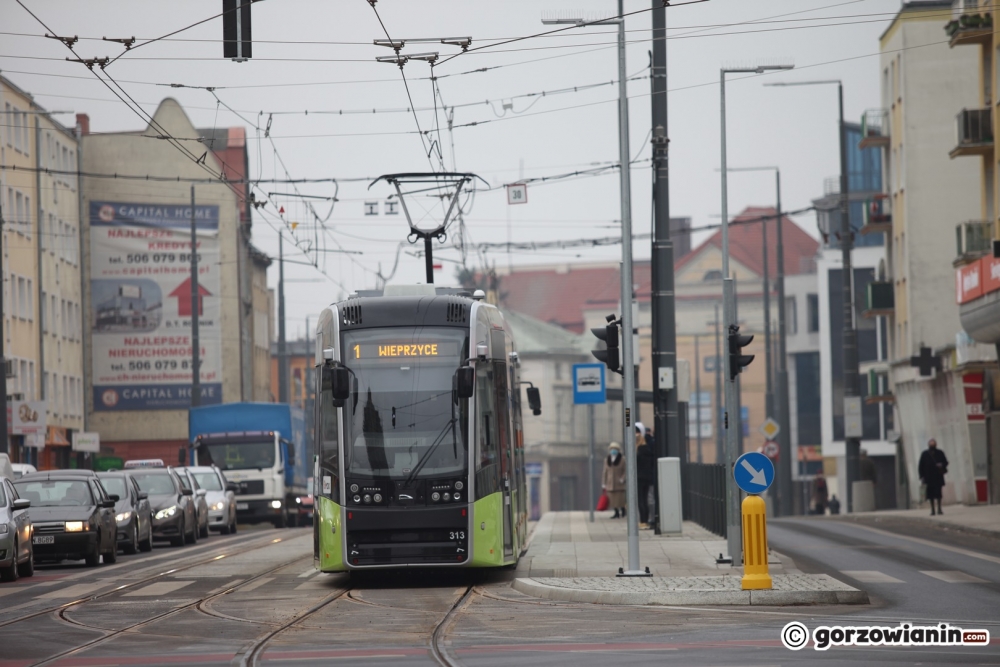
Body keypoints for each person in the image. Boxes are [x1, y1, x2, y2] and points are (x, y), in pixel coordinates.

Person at [918, 438, 949, 515]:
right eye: (931, 444)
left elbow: (945, 462)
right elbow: (920, 466)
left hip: (938, 476)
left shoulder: (940, 452)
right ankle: (932, 510)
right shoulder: (924, 454)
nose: (932, 445)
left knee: (938, 493)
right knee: (930, 494)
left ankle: (939, 508)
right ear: (928, 445)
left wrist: (941, 464)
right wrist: (921, 476)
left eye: (933, 443)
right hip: (928, 477)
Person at [636, 426, 656, 529]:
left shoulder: (638, 453)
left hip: (639, 478)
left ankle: (642, 521)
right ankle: (647, 520)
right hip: (648, 477)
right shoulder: (648, 451)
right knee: (646, 499)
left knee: (640, 499)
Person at [602, 442, 627, 519]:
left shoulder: (622, 459)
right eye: (612, 449)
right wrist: (603, 483)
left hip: (619, 483)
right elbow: (605, 472)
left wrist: (622, 479)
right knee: (612, 500)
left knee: (620, 499)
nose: (613, 451)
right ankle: (616, 512)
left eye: (615, 449)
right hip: (610, 483)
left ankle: (623, 509)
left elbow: (625, 471)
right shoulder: (607, 459)